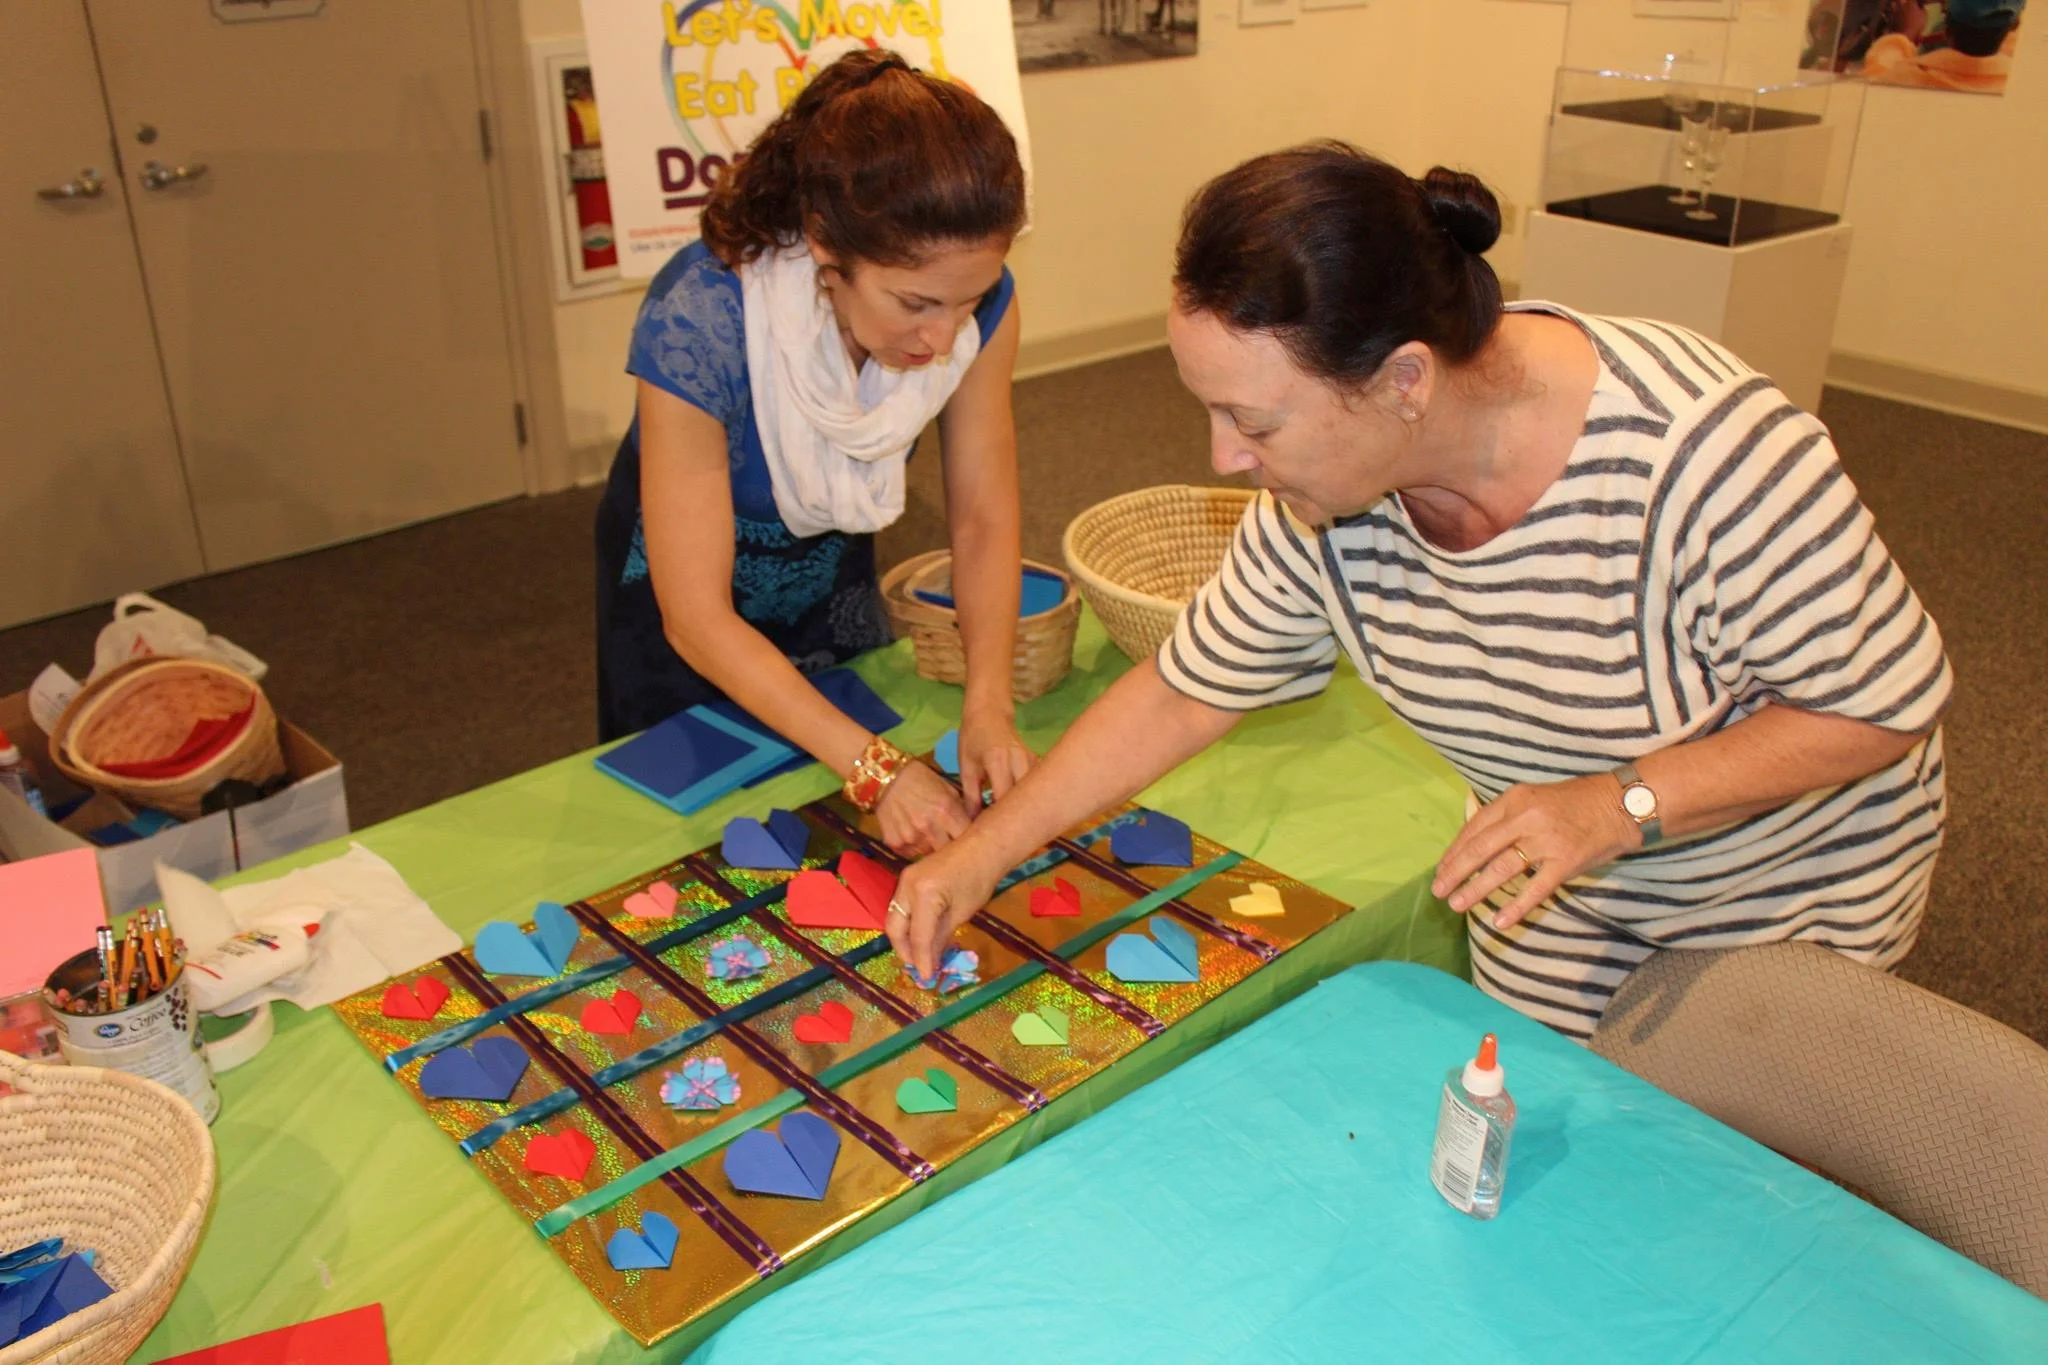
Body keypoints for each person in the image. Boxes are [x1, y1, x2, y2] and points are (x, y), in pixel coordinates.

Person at [889, 143, 1953, 1041]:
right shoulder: (1325, 496)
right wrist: (985, 848)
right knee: (1534, 1139)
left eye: (1253, 422)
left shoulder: (1707, 455)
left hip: (1780, 905)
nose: (1222, 457)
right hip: (1556, 882)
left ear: (1403, 380)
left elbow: (1876, 708)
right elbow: (1183, 691)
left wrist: (1619, 804)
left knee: (1720, 1198)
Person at [595, 49, 1034, 855]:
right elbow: (694, 616)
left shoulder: (977, 308)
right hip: (687, 613)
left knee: (827, 836)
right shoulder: (701, 321)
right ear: (828, 254)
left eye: (966, 302)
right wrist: (873, 767)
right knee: (693, 839)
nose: (943, 339)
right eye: (915, 303)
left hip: (827, 570)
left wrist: (988, 704)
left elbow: (979, 516)